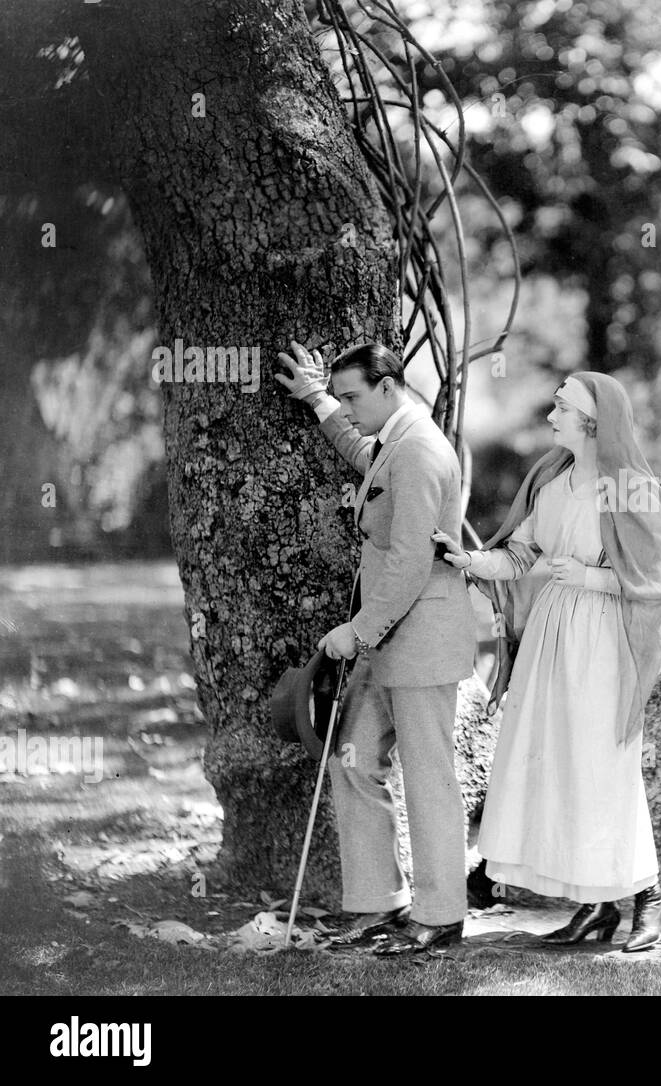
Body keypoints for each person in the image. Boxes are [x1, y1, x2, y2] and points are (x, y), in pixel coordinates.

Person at [432, 372, 661, 952]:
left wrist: (593, 577)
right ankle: (595, 905)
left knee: (603, 765)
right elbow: (520, 555)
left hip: (604, 639)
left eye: (562, 408)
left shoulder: (631, 488)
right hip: (553, 634)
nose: (552, 416)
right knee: (562, 764)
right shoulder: (550, 477)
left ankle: (651, 897)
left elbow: (660, 578)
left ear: (594, 421)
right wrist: (469, 560)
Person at [275, 340, 476, 954]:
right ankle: (376, 903)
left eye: (352, 396)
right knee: (354, 759)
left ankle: (441, 916)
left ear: (389, 389)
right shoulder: (398, 439)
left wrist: (356, 633)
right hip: (388, 641)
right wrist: (316, 400)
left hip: (420, 642)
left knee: (429, 779)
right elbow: (368, 457)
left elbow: (412, 563)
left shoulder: (419, 450)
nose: (347, 406)